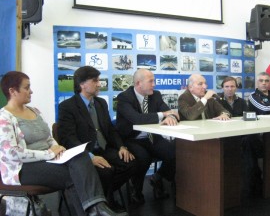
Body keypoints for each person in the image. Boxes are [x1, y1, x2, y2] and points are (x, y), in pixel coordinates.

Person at [0, 71, 127, 216]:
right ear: (12, 91)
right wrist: (48, 153)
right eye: (27, 88)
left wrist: (56, 146)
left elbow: (48, 138)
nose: (31, 91)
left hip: (49, 159)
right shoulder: (4, 118)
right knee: (74, 174)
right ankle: (96, 209)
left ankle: (96, 209)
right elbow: (12, 153)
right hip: (23, 168)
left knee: (82, 156)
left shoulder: (34, 111)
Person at [58, 66, 136, 212]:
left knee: (130, 163)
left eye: (99, 80)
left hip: (104, 149)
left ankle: (105, 197)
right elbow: (68, 139)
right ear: (82, 84)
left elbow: (110, 130)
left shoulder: (101, 103)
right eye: (95, 80)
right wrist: (90, 157)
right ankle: (104, 204)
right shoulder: (67, 107)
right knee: (106, 171)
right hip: (84, 155)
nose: (99, 84)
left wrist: (121, 147)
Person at [116, 68, 179, 206]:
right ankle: (136, 190)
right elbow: (137, 119)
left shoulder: (155, 95)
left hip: (152, 137)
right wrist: (163, 115)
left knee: (175, 153)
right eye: (151, 81)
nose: (154, 84)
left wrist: (172, 116)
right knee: (143, 158)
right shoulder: (124, 97)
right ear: (139, 83)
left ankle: (158, 177)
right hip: (132, 138)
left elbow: (169, 111)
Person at [216, 76, 263, 200]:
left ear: (236, 87)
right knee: (249, 143)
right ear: (222, 88)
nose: (230, 89)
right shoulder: (216, 100)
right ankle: (255, 174)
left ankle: (252, 174)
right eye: (227, 87)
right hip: (224, 137)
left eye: (232, 86)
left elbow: (248, 118)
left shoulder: (242, 101)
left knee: (250, 139)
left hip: (241, 135)